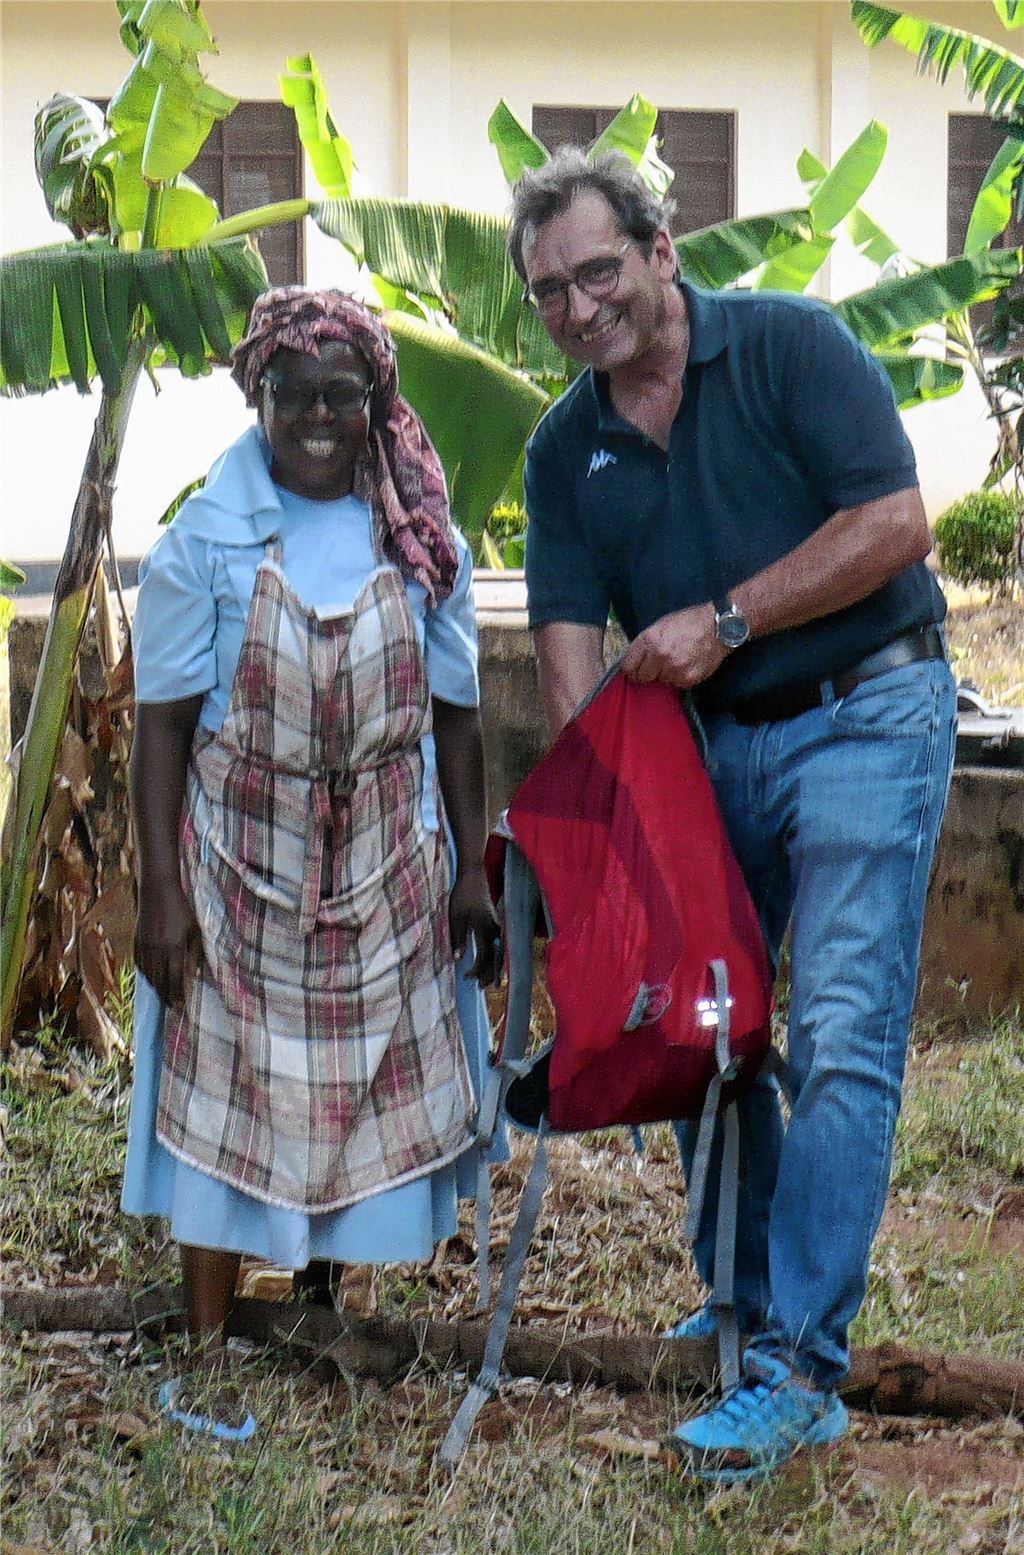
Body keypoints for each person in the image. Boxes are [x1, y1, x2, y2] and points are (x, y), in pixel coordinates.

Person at [509, 148, 957, 1484]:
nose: (581, 309)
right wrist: (609, 838)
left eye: (599, 270)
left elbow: (897, 521)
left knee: (833, 1025)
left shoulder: (791, 348)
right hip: (706, 755)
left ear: (659, 247)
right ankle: (745, 1296)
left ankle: (802, 1369)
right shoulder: (561, 446)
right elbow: (566, 646)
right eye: (550, 293)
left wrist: (731, 618)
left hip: (868, 708)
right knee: (701, 1011)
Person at [121, 287, 501, 1440]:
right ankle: (205, 1333)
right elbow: (161, 728)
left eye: (346, 395)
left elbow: (458, 715)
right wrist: (160, 893)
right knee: (223, 1084)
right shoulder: (206, 541)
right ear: (261, 397)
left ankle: (325, 1298)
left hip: (385, 864)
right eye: (299, 395)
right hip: (243, 864)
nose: (322, 417)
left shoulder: (421, 539)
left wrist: (473, 869)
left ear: (376, 400)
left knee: (358, 1089)